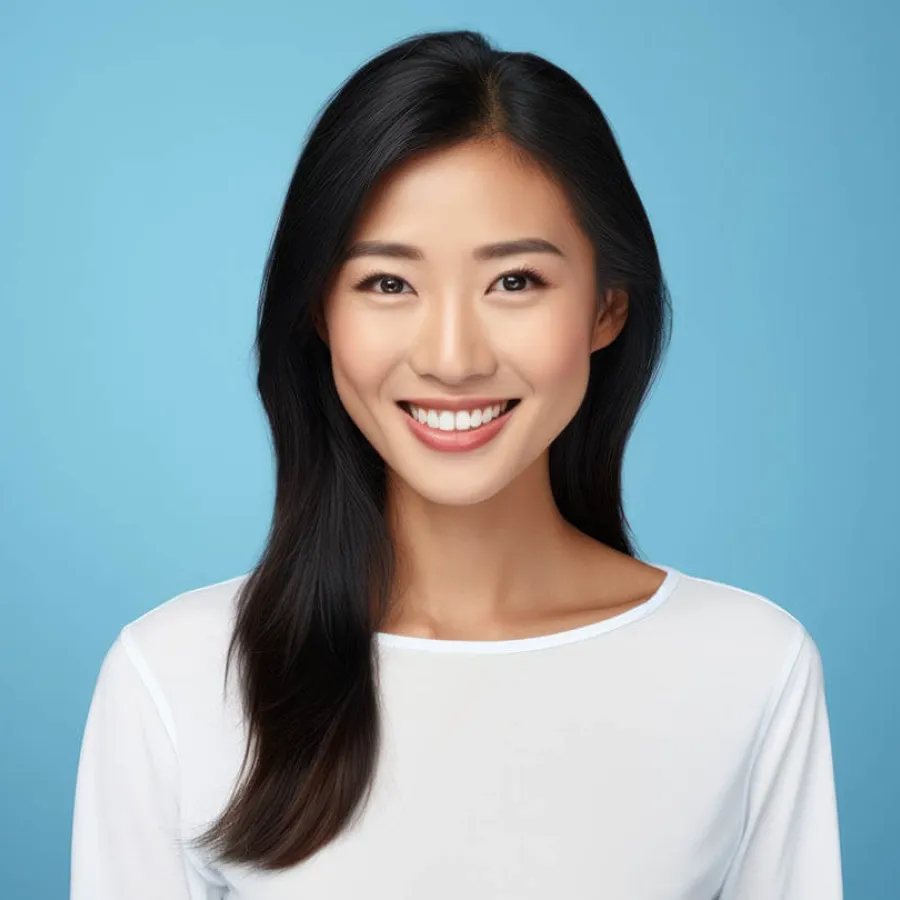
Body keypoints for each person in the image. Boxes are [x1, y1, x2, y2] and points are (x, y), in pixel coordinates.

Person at [70, 28, 843, 899]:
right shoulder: (174, 678)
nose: (452, 357)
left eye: (515, 282)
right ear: (320, 314)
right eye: (388, 284)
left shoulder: (749, 668)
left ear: (607, 309)